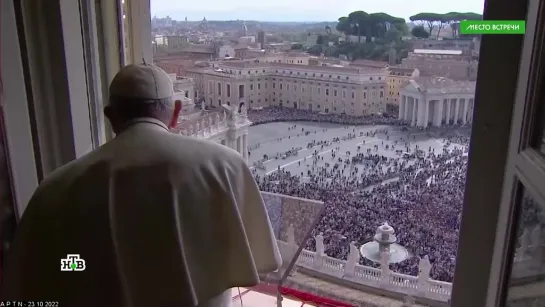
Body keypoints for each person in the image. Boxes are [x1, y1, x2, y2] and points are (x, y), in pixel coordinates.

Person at [1, 64, 281, 307]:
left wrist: (82, 264)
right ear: (176, 113)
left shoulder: (55, 188)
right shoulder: (226, 166)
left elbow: (43, 275)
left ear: (110, 116)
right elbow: (257, 258)